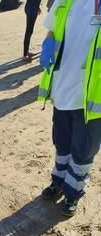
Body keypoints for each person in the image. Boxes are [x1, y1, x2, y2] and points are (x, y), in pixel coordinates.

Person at [38, 0, 101, 217]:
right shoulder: (65, 1)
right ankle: (59, 180)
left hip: (92, 98)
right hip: (62, 89)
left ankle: (74, 191)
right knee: (62, 143)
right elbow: (52, 32)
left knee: (83, 149)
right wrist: (47, 45)